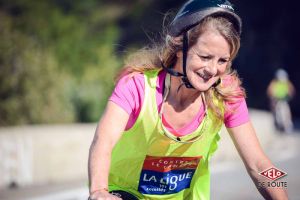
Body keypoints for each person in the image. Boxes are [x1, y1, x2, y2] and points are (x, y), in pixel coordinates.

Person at [88, 0, 288, 199]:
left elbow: (259, 164)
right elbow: (103, 141)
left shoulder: (227, 96)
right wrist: (99, 191)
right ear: (179, 47)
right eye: (204, 57)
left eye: (222, 61)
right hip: (125, 194)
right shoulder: (137, 87)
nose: (212, 70)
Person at [267, 68, 295, 133]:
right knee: (275, 110)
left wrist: (289, 96)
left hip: (284, 100)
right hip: (276, 100)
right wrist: (273, 97)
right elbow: (270, 91)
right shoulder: (274, 82)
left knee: (287, 110)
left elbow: (291, 90)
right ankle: (277, 124)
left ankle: (288, 125)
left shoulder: (287, 83)